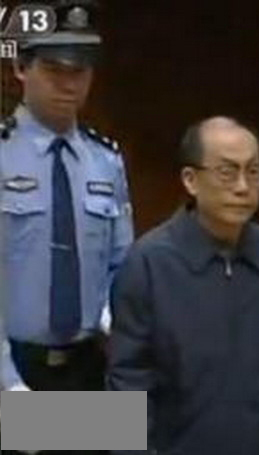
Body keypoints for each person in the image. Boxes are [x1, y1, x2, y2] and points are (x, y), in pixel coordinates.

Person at [107, 117, 259, 455]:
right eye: (227, 172)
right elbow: (129, 384)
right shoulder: (149, 264)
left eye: (254, 171)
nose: (243, 187)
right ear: (190, 180)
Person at [0, 0, 133, 394]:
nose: (69, 84)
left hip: (88, 364)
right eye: (55, 70)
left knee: (124, 427)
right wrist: (8, 383)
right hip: (13, 364)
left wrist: (112, 317)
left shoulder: (106, 161)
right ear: (20, 67)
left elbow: (123, 265)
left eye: (80, 71)